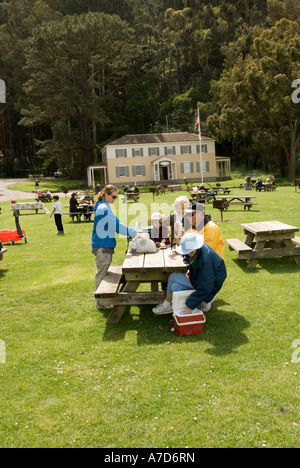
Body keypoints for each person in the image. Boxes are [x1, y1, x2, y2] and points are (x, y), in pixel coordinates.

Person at [153, 232, 227, 316]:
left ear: (192, 250)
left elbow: (205, 286)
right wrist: (190, 270)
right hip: (201, 279)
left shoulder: (206, 259)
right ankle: (169, 305)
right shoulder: (197, 250)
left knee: (173, 279)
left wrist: (190, 305)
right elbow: (190, 260)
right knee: (174, 285)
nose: (185, 253)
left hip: (211, 284)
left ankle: (206, 299)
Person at [92, 185, 137, 310]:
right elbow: (116, 226)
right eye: (113, 197)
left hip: (103, 245)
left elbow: (116, 223)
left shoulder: (102, 206)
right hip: (103, 246)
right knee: (102, 274)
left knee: (103, 273)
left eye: (116, 197)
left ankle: (102, 302)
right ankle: (102, 303)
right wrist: (133, 232)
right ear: (105, 194)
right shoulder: (103, 208)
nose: (114, 199)